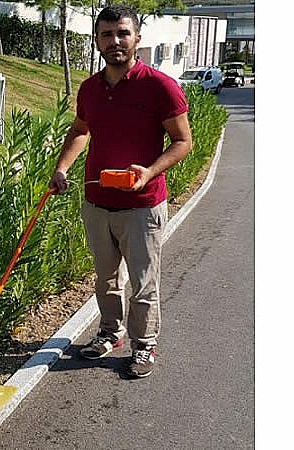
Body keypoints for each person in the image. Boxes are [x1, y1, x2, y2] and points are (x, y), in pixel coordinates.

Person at [48, 5, 193, 379]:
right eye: (107, 34)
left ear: (137, 39)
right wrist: (62, 168)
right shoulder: (90, 89)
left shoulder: (160, 86)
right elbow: (80, 131)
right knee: (106, 277)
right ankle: (110, 334)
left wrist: (149, 172)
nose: (115, 41)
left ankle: (143, 345)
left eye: (122, 33)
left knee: (144, 282)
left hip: (142, 206)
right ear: (97, 40)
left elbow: (182, 141)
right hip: (97, 203)